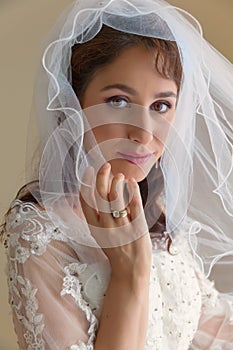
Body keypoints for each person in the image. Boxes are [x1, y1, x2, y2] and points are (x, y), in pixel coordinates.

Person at [1, 0, 233, 349]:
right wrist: (131, 273)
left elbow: (217, 333)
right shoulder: (39, 231)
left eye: (161, 106)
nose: (143, 132)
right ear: (73, 103)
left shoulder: (155, 214)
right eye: (119, 100)